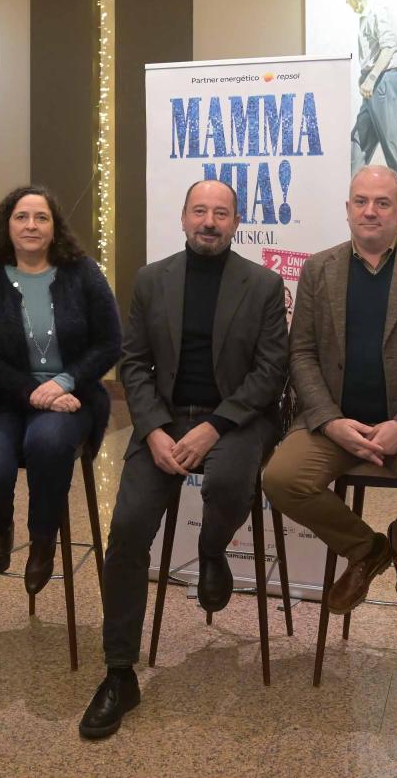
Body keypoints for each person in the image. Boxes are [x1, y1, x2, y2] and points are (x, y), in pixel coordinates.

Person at [79, 179, 288, 740]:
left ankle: (211, 550)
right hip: (164, 419)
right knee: (126, 529)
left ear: (236, 222)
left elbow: (271, 372)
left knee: (229, 481)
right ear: (183, 218)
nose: (209, 222)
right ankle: (119, 672)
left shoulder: (264, 285)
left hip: (236, 417)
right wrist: (151, 429)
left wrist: (214, 426)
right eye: (200, 211)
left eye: (220, 213)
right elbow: (133, 363)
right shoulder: (152, 279)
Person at [263, 166, 397, 616]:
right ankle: (366, 549)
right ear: (348, 209)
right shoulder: (320, 268)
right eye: (361, 201)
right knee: (281, 480)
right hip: (337, 422)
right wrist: (329, 421)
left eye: (382, 203)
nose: (370, 211)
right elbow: (302, 353)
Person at [0, 186, 120, 596]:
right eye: (22, 217)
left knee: (47, 444)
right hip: (0, 400)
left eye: (41, 217)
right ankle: (0, 528)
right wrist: (33, 391)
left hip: (70, 399)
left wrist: (63, 382)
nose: (31, 225)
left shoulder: (83, 274)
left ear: (54, 227)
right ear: (6, 226)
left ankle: (43, 541)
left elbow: (109, 343)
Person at [346, 0, 397, 210]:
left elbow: (389, 47)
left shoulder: (378, 12)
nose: (347, 1)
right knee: (359, 138)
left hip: (384, 79)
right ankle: (352, 187)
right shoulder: (366, 17)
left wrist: (371, 78)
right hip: (374, 81)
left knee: (390, 138)